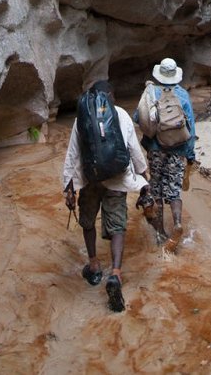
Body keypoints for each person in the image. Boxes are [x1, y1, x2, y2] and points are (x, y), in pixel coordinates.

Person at [62, 80, 150, 312]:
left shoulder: (81, 117)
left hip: (91, 179)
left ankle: (93, 265)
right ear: (111, 95)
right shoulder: (121, 115)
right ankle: (116, 273)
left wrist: (68, 187)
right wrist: (143, 177)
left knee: (88, 221)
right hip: (117, 178)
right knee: (118, 225)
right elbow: (133, 149)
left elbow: (73, 154)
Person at [137, 57, 196, 252]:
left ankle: (161, 232)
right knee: (174, 190)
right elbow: (191, 129)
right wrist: (189, 154)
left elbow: (138, 118)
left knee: (158, 190)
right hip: (177, 149)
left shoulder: (151, 92)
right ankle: (177, 223)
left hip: (155, 149)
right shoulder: (182, 95)